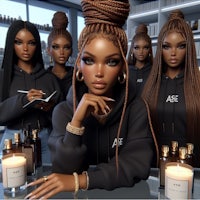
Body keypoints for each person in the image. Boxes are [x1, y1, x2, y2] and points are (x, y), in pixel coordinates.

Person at [25, 0, 158, 199]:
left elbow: (137, 165)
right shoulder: (63, 111)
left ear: (123, 67)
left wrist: (82, 180)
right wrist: (76, 122)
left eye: (111, 61)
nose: (99, 72)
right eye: (89, 60)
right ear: (78, 64)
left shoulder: (136, 108)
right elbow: (63, 170)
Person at [142, 10, 200, 167]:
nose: (173, 53)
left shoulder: (197, 85)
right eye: (167, 46)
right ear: (160, 48)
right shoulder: (150, 87)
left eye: (181, 46)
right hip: (155, 164)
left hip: (191, 165)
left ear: (189, 48)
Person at [0, 20, 61, 164]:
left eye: (31, 43)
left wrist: (49, 108)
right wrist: (24, 100)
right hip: (13, 139)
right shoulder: (3, 76)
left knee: (46, 182)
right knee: (12, 184)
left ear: (37, 45)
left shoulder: (49, 77)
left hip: (44, 138)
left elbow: (62, 115)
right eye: (19, 42)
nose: (25, 48)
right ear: (11, 44)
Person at [47, 11, 73, 101]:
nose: (61, 52)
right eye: (56, 47)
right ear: (48, 50)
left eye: (66, 47)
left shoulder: (77, 77)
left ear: (71, 51)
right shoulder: (43, 77)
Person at [127, 24, 153, 98]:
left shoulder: (154, 71)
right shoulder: (126, 71)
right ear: (132, 50)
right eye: (137, 48)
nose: (141, 52)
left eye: (145, 47)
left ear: (149, 50)